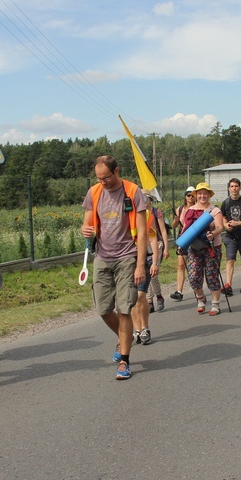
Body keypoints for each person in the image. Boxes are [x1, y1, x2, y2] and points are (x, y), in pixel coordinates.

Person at [81, 155, 147, 380]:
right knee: (103, 309)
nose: (103, 182)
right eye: (99, 178)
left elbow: (143, 231)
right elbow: (87, 221)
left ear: (117, 171)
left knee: (125, 308)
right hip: (102, 256)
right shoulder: (94, 192)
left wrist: (140, 265)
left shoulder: (132, 191)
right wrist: (85, 230)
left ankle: (125, 361)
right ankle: (124, 335)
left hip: (127, 256)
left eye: (106, 177)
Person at [183, 182, 224, 316]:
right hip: (194, 247)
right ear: (196, 195)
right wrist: (181, 244)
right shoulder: (190, 211)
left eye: (205, 193)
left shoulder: (214, 210)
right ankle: (200, 298)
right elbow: (185, 229)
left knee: (212, 276)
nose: (202, 196)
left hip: (212, 247)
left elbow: (220, 227)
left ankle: (215, 304)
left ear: (209, 195)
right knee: (193, 276)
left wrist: (212, 234)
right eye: (199, 193)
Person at [131, 189, 161, 344]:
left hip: (145, 260)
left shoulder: (148, 216)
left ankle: (145, 328)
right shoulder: (124, 216)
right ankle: (136, 329)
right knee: (131, 298)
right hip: (128, 261)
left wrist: (155, 262)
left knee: (141, 296)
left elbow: (153, 239)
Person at [170, 186, 196, 301]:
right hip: (183, 239)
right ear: (185, 196)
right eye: (188, 195)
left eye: (192, 195)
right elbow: (174, 226)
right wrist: (175, 220)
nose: (190, 197)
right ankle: (179, 291)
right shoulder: (180, 209)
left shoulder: (198, 209)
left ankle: (197, 288)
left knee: (194, 265)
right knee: (181, 265)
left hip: (194, 239)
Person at [145, 194, 169, 313]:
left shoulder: (156, 212)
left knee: (153, 274)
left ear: (150, 199)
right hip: (143, 245)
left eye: (146, 198)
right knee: (146, 274)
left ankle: (158, 296)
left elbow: (163, 230)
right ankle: (149, 300)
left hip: (156, 244)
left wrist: (166, 247)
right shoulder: (138, 212)